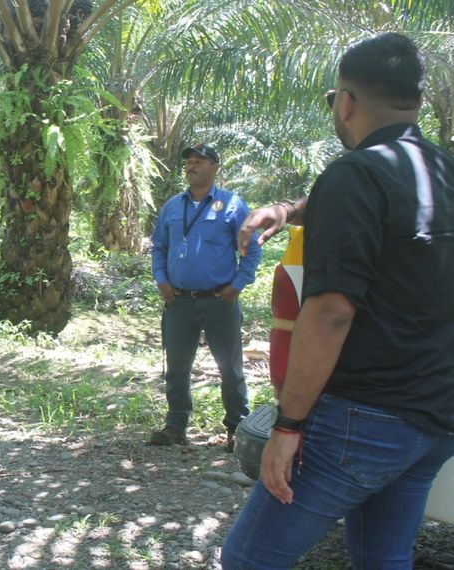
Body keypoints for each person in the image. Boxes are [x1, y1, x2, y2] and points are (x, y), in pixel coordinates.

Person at [222, 33, 454, 569]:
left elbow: (329, 313)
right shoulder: (440, 170)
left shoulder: (353, 174)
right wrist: (287, 210)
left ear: (346, 102)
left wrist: (288, 426)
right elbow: (385, 202)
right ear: (416, 100)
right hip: (434, 416)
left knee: (249, 558)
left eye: (332, 99)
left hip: (364, 419)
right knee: (382, 558)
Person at [150, 143, 262, 451]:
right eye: (189, 161)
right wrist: (161, 279)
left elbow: (252, 250)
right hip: (179, 301)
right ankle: (175, 426)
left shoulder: (232, 205)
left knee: (230, 369)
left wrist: (238, 283)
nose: (191, 165)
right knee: (176, 368)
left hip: (219, 302)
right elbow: (159, 247)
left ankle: (237, 427)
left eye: (199, 161)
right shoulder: (173, 206)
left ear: (215, 167)